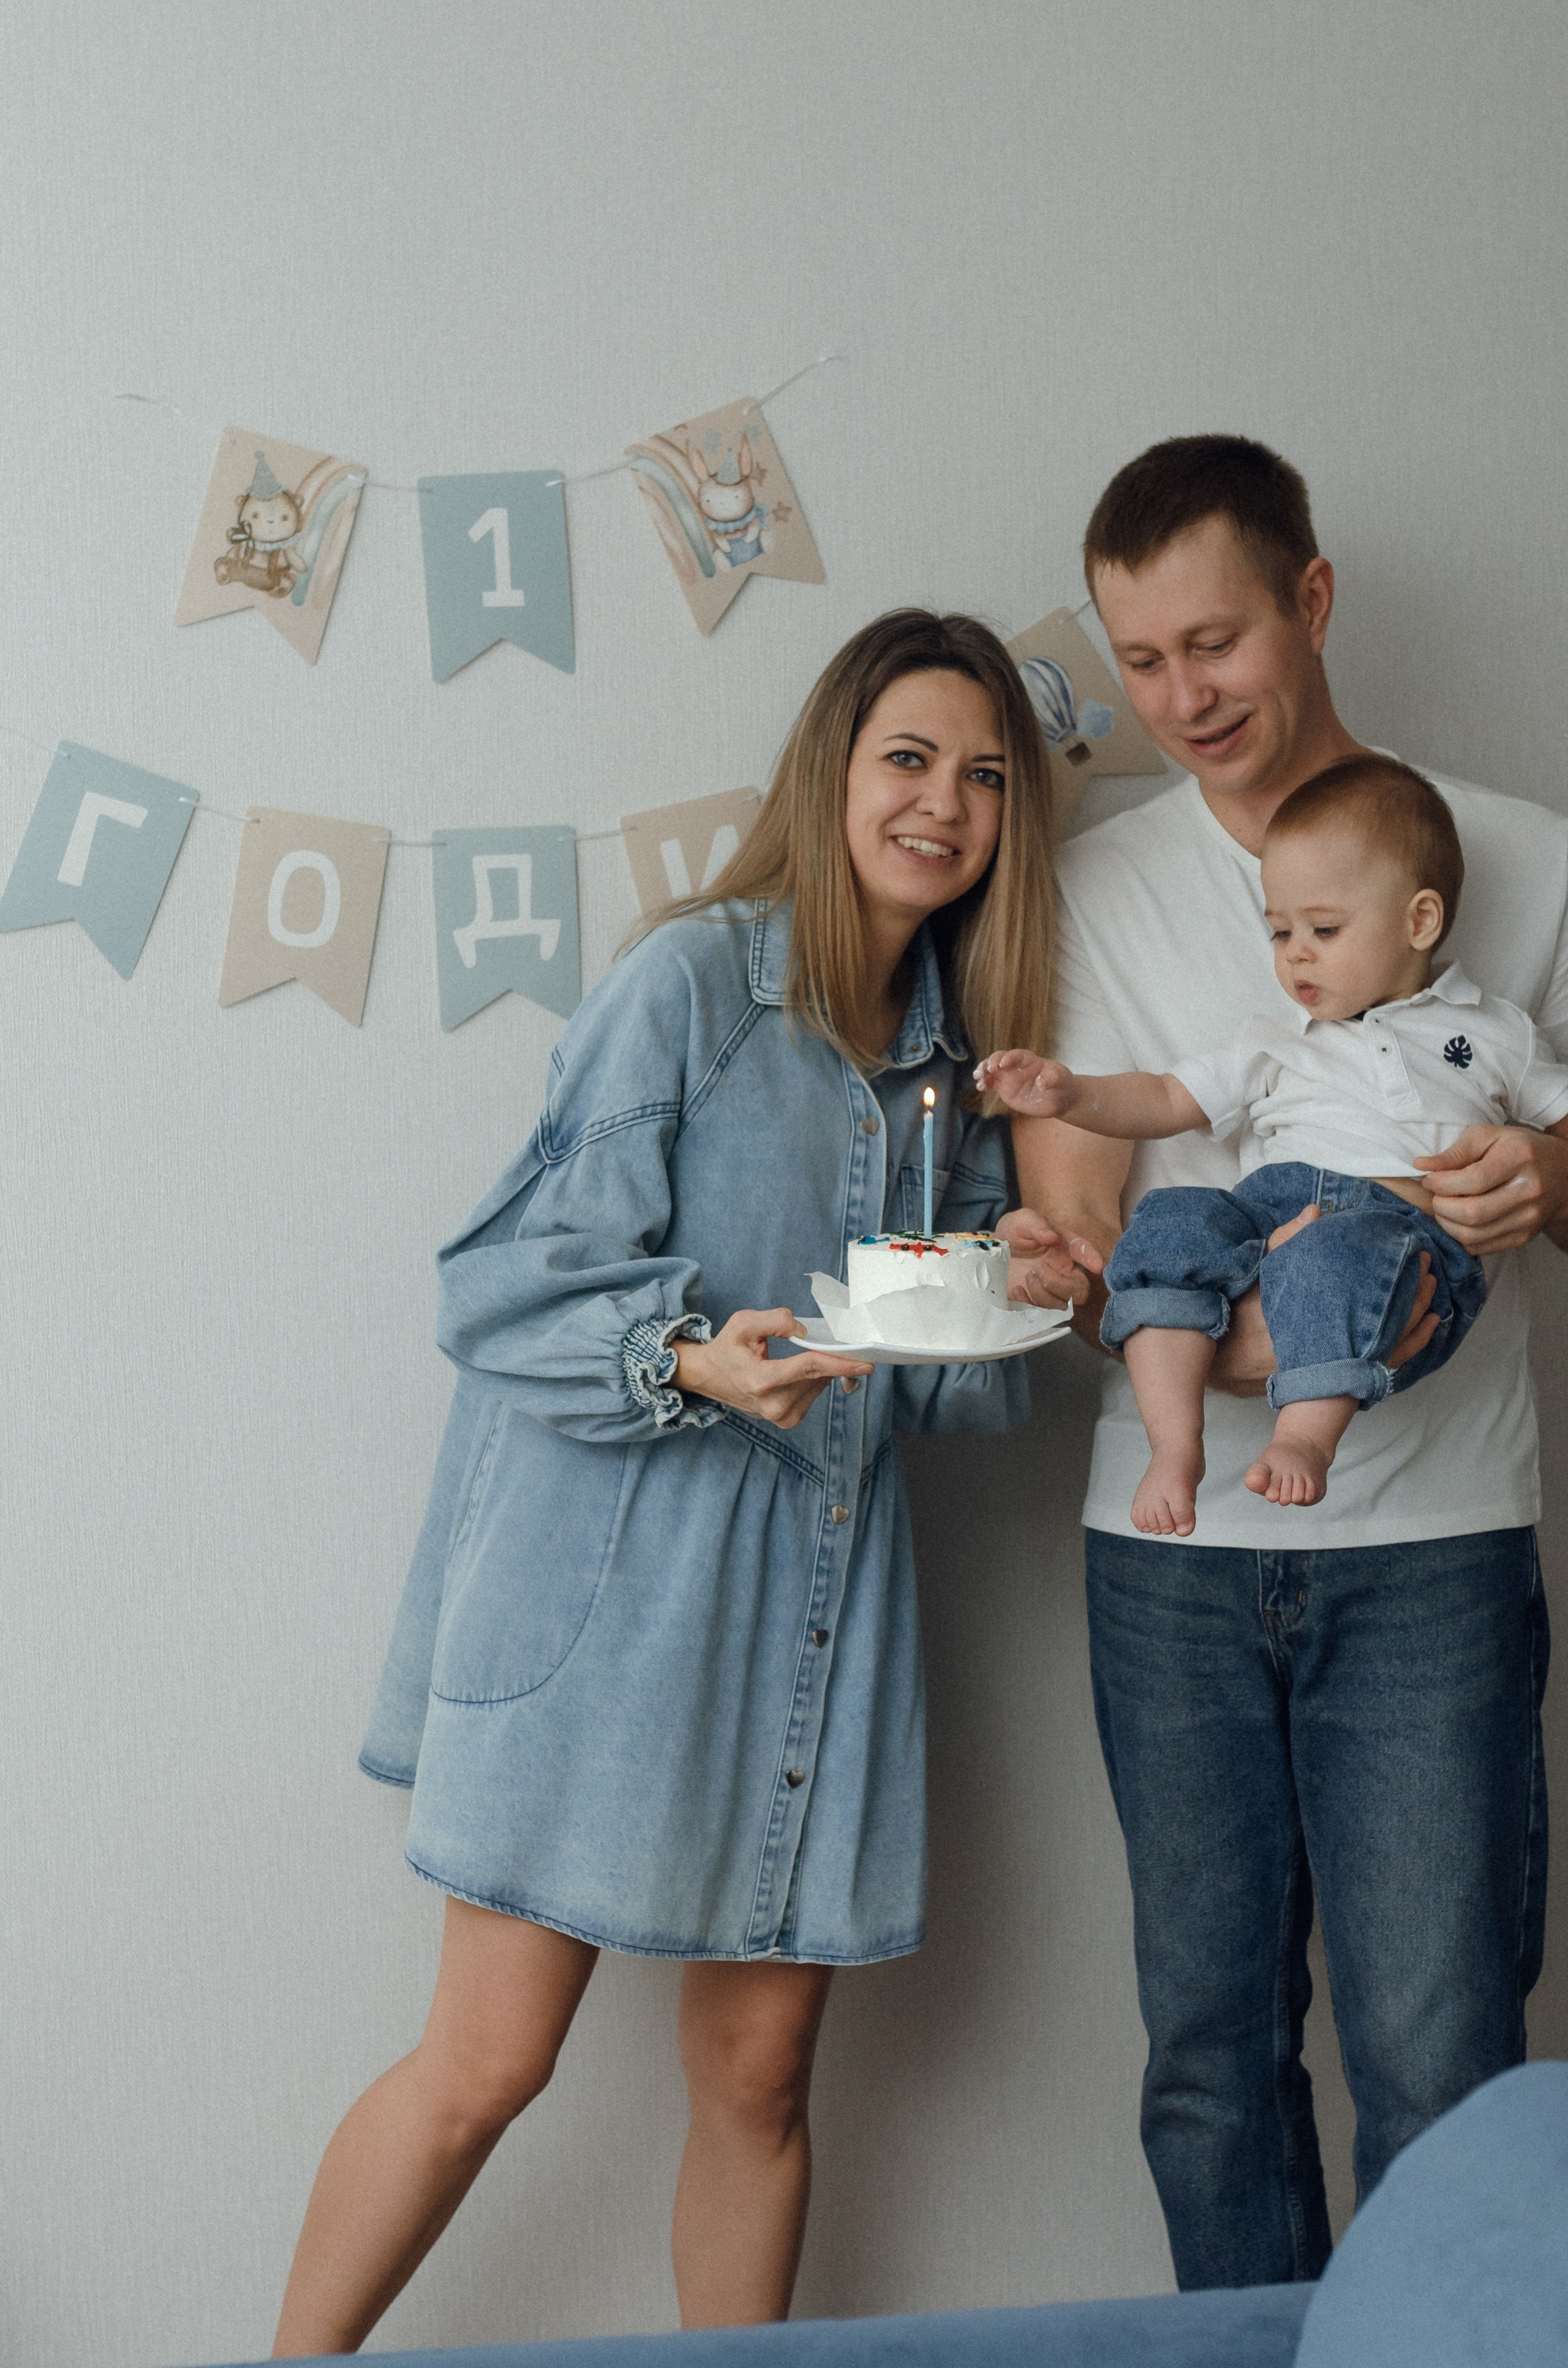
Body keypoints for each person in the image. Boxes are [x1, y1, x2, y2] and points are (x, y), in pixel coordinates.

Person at [271, 610, 1062, 2358]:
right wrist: (689, 1356)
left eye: (986, 776)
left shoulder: (956, 1068)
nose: (944, 803)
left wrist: (1030, 1293)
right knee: (489, 2066)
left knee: (764, 2075)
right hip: (615, 1596)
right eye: (910, 759)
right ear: (834, 772)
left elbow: (939, 1405)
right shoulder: (696, 984)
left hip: (817, 1612)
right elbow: (495, 1284)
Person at [1003, 436, 1568, 2290]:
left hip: (1434, 1559)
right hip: (1166, 1559)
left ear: (1309, 603)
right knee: (1208, 2070)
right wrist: (1199, 1329)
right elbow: (1081, 1211)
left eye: (1215, 642)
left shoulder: (1522, 862)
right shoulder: (1095, 886)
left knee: (1442, 2066)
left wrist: (1540, 1176)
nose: (1182, 699)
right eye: (1140, 659)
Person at [982, 756, 1568, 1529]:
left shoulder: (1495, 1034)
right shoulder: (1277, 1041)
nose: (1294, 953)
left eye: (1323, 930)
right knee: (1172, 1220)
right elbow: (1162, 1097)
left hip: (1401, 1237)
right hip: (1267, 1212)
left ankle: (1304, 1440)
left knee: (1335, 1257)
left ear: (1419, 921)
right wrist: (1071, 1092)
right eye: (1279, 931)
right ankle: (1174, 1443)